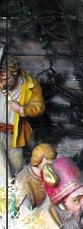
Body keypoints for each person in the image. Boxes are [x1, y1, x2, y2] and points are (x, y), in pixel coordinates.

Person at [0, 50, 45, 180]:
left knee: (15, 166)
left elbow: (39, 107)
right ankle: (6, 189)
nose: (3, 83)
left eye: (7, 79)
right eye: (1, 79)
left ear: (15, 73)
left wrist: (21, 109)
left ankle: (11, 189)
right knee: (3, 172)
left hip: (15, 134)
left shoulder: (30, 84)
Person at [13, 142, 57, 216]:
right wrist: (47, 203)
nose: (52, 166)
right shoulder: (23, 181)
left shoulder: (51, 171)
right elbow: (25, 215)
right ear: (38, 161)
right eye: (48, 163)